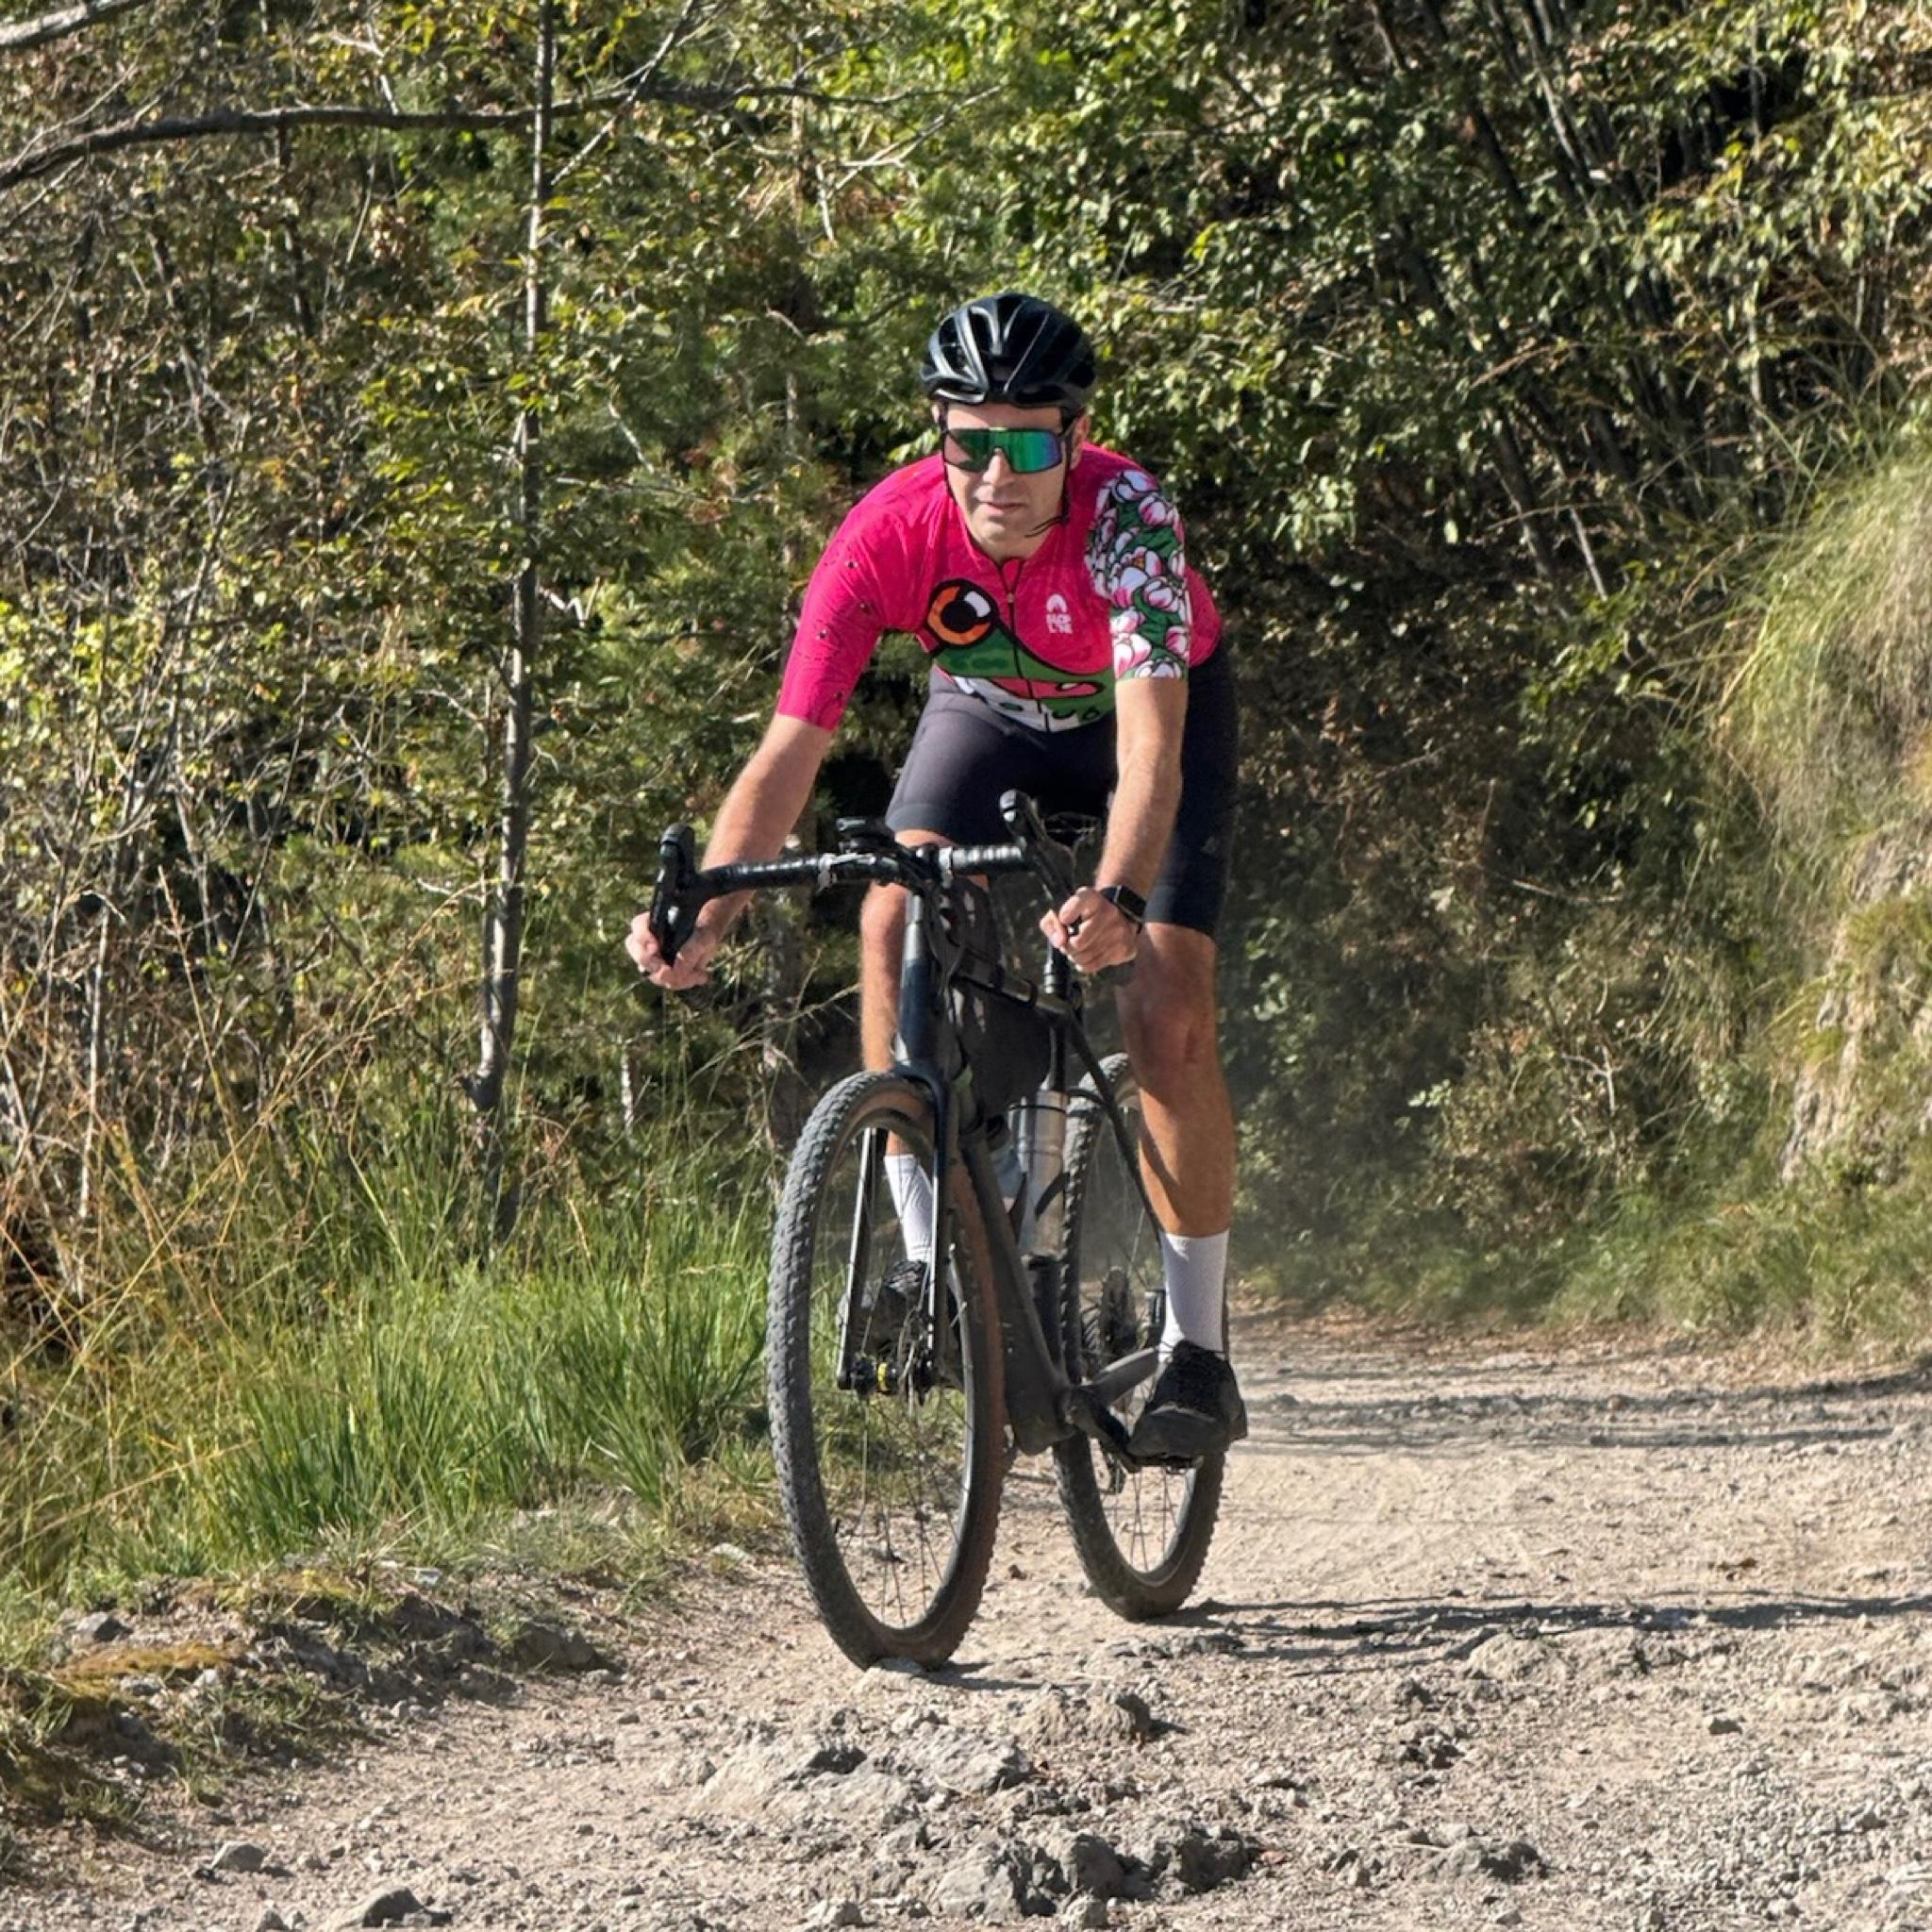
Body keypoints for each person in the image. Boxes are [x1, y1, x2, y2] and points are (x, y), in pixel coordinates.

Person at [628, 291, 1243, 1459]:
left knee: (1163, 1009)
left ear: (1072, 439)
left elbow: (1151, 757)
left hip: (1141, 725)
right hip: (989, 714)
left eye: (1027, 447)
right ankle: (930, 1267)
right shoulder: (887, 531)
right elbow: (788, 750)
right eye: (969, 444)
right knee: (888, 916)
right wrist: (712, 899)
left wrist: (1118, 896)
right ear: (938, 434)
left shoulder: (1127, 519)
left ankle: (1196, 1350)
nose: (995, 476)